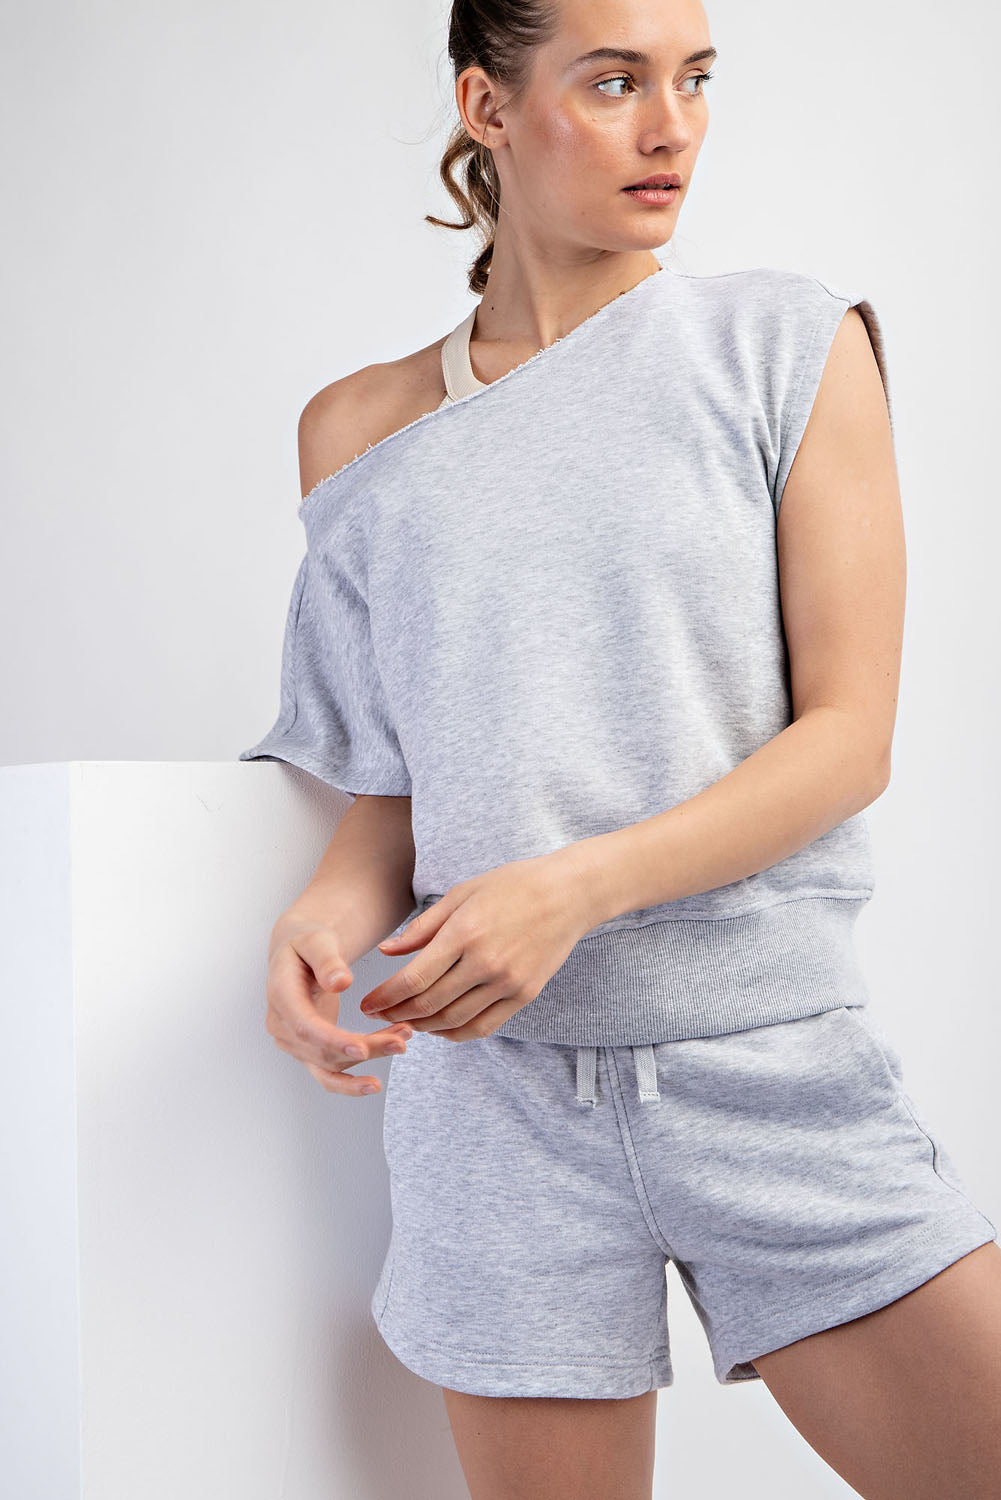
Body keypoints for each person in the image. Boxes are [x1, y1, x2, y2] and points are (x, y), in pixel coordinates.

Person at [240, 0, 1001, 1495]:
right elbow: (392, 777)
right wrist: (328, 922)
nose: (671, 127)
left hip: (763, 1060)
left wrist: (571, 890)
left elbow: (847, 739)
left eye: (693, 80)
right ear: (487, 103)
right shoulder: (358, 428)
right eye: (611, 82)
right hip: (489, 1104)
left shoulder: (783, 341)